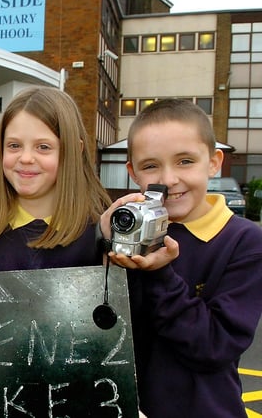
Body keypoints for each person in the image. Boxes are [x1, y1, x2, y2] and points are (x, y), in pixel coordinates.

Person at [99, 98, 262, 418]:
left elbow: (214, 346)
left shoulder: (244, 242)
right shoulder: (127, 233)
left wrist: (161, 274)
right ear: (132, 172)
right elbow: (100, 327)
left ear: (214, 162)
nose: (169, 179)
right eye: (150, 166)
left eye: (185, 161)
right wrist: (103, 246)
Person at [0, 86, 111, 272]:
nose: (26, 158)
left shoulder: (100, 231)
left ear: (73, 150)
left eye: (43, 147)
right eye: (14, 145)